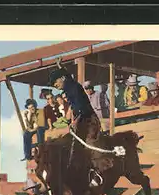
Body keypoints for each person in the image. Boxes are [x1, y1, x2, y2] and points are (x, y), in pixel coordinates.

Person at [48, 58, 112, 187]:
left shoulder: (74, 88)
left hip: (89, 119)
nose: (55, 86)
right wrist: (60, 66)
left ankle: (100, 171)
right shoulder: (69, 87)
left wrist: (75, 121)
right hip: (81, 119)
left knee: (90, 143)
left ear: (62, 79)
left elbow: (80, 107)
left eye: (56, 82)